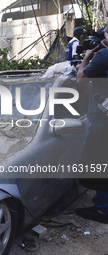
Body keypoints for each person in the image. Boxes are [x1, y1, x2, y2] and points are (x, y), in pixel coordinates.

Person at [75, 21, 108, 224]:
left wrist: (87, 57)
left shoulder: (103, 56)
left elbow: (80, 79)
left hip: (101, 118)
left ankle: (103, 209)